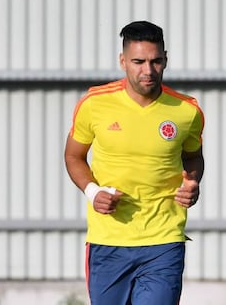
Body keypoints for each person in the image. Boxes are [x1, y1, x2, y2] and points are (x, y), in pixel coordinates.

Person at [64, 21, 204, 305]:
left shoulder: (187, 111)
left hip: (163, 240)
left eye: (156, 61)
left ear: (166, 60)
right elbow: (73, 156)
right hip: (109, 240)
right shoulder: (94, 103)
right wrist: (93, 192)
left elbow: (193, 157)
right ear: (123, 60)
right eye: (138, 61)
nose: (148, 70)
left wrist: (192, 182)